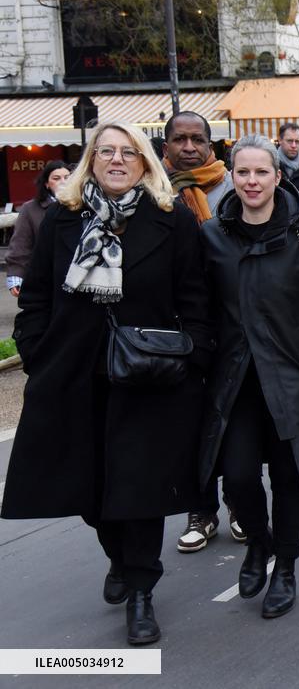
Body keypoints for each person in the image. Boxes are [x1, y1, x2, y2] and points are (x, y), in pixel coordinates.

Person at [1, 121, 213, 644]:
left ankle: (141, 590)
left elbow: (196, 299)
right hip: (74, 375)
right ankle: (118, 556)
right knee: (89, 491)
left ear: (145, 162)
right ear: (91, 161)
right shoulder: (63, 219)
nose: (117, 160)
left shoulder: (171, 220)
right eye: (106, 151)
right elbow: (36, 296)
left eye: (128, 152)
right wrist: (36, 352)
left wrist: (191, 359)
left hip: (148, 378)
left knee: (139, 489)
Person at [200, 134, 299, 619]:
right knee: (238, 476)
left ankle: (285, 566)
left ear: (278, 176)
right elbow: (200, 308)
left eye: (261, 172)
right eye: (242, 172)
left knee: (289, 476)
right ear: (231, 176)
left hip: (292, 374)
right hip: (235, 379)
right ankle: (259, 543)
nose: (251, 181)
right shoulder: (212, 235)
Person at [161, 110, 243, 553]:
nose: (189, 147)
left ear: (211, 145)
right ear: (167, 147)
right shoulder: (154, 191)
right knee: (190, 424)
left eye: (197, 139)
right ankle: (201, 510)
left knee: (235, 418)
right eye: (180, 139)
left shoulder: (234, 185)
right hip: (179, 326)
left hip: (232, 321)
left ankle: (239, 502)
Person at [6, 160, 70, 297]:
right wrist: (16, 275)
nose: (63, 182)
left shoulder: (85, 205)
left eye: (67, 177)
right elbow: (20, 245)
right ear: (47, 184)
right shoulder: (30, 209)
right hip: (46, 280)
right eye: (56, 178)